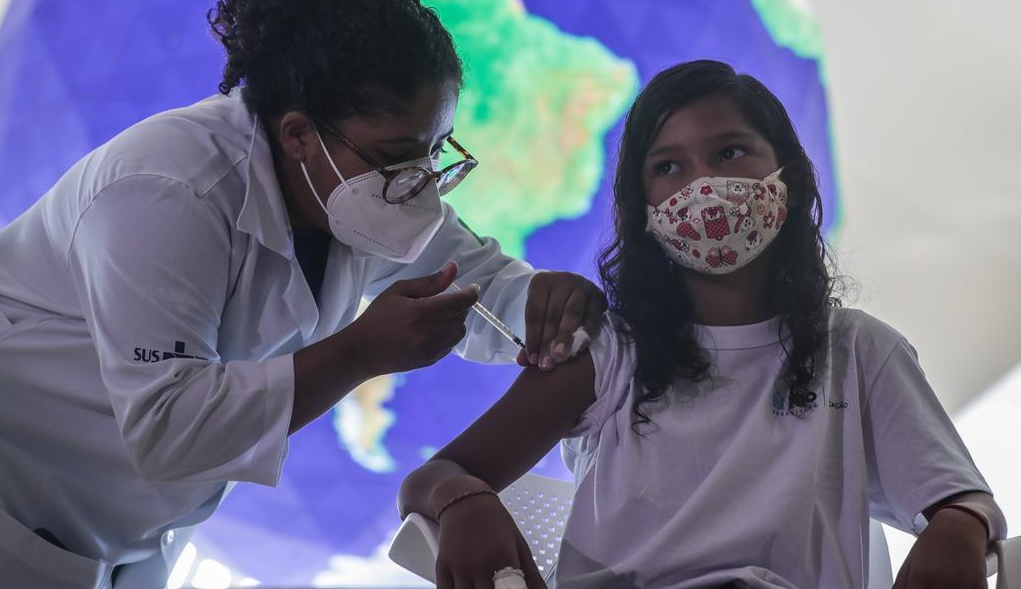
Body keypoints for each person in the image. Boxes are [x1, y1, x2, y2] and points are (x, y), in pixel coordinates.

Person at [0, 0, 605, 588]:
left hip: (117, 515)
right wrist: (362, 351)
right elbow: (171, 427)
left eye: (435, 155)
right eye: (395, 158)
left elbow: (479, 280)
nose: (419, 188)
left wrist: (539, 304)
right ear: (298, 135)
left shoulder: (358, 188)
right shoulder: (168, 189)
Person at [399, 60, 1007, 588]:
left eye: (728, 153)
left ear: (788, 181)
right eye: (668, 167)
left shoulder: (857, 351)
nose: (702, 186)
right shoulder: (609, 354)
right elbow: (437, 477)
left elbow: (959, 499)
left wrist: (960, 525)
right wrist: (466, 501)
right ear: (643, 211)